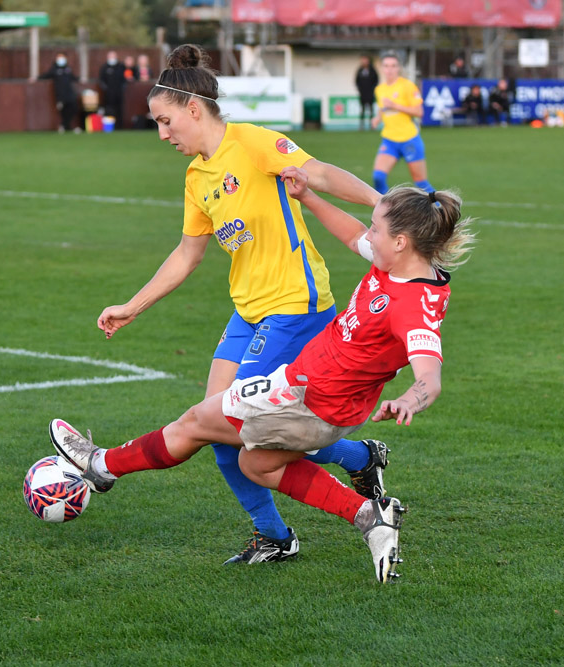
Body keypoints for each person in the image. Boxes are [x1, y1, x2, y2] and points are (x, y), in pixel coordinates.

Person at [49, 174, 474, 582]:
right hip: (317, 395)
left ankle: (101, 465)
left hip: (309, 401)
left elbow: (429, 376)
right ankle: (369, 516)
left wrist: (409, 400)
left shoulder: (413, 303)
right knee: (256, 464)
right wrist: (308, 197)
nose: (369, 234)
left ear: (400, 241)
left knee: (196, 423)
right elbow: (351, 236)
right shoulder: (399, 264)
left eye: (376, 229)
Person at [92, 44, 387, 564]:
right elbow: (187, 254)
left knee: (229, 424)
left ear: (193, 109)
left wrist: (382, 204)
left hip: (296, 305)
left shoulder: (251, 143)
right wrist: (133, 306)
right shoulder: (197, 177)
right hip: (248, 312)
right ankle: (289, 522)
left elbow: (318, 173)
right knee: (220, 430)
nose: (162, 134)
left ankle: (339, 488)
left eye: (165, 121)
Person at [371, 51, 435, 195]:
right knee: (378, 177)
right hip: (389, 140)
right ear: (382, 68)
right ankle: (388, 207)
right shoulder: (380, 89)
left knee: (421, 183)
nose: (390, 69)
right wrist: (377, 119)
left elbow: (419, 112)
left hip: (409, 139)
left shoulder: (407, 86)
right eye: (386, 66)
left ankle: (440, 207)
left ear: (399, 68)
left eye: (393, 66)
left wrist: (395, 105)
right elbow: (383, 108)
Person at [39, 53, 80, 134]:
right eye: (59, 58)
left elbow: (73, 77)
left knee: (74, 108)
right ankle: (65, 126)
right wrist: (36, 78)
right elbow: (46, 75)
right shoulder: (54, 69)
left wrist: (80, 79)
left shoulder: (68, 68)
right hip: (61, 94)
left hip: (70, 93)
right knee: (63, 111)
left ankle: (65, 125)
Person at [97, 50, 126, 123]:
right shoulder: (104, 67)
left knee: (119, 109)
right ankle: (109, 123)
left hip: (119, 93)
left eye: (113, 56)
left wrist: (122, 88)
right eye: (110, 56)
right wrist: (106, 89)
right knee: (109, 109)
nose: (112, 58)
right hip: (108, 94)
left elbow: (124, 79)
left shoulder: (121, 66)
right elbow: (101, 80)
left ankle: (119, 124)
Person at [355, 55, 379, 131]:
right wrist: (360, 90)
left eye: (366, 60)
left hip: (370, 93)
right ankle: (361, 126)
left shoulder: (372, 70)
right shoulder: (360, 70)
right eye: (363, 60)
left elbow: (376, 80)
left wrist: (373, 89)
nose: (364, 61)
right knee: (362, 110)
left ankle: (372, 125)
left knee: (371, 110)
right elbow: (356, 81)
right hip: (363, 94)